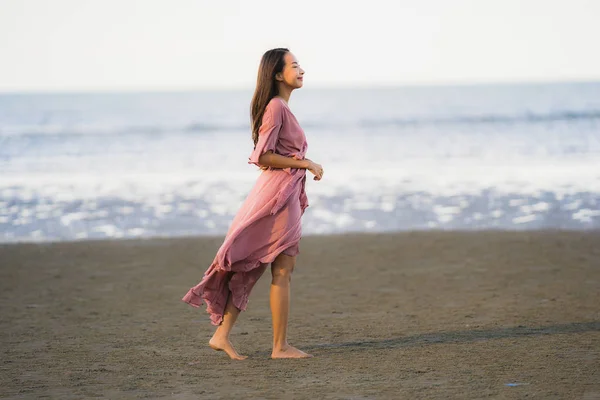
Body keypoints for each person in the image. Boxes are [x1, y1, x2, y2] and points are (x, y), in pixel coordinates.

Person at [181, 48, 324, 360]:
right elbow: (261, 156)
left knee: (260, 267)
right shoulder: (276, 107)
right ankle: (280, 347)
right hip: (278, 197)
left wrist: (300, 166)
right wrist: (306, 163)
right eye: (295, 66)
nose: (302, 71)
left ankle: (222, 335)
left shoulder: (281, 107)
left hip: (283, 193)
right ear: (277, 74)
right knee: (281, 269)